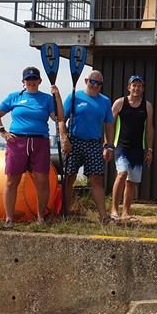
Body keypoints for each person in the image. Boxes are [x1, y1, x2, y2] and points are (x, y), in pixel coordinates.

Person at [0, 66, 67, 227]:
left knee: (43, 181)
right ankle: (9, 219)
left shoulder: (47, 98)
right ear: (23, 82)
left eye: (34, 79)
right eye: (28, 79)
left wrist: (58, 97)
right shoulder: (14, 97)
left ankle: (41, 217)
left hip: (39, 142)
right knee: (12, 181)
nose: (31, 82)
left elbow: (59, 118)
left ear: (39, 81)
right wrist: (2, 131)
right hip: (17, 141)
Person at [62, 70, 115, 222]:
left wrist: (109, 145)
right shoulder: (74, 97)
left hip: (94, 143)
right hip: (74, 142)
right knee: (69, 177)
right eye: (92, 81)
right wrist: (65, 138)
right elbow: (61, 120)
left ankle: (103, 216)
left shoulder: (105, 101)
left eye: (99, 83)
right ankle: (65, 212)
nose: (95, 85)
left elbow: (109, 124)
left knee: (96, 180)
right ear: (86, 80)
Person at [110, 75, 154, 223]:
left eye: (139, 86)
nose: (136, 88)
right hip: (121, 146)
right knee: (122, 174)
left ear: (143, 88)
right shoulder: (120, 103)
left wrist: (150, 150)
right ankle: (114, 210)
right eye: (134, 85)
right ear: (129, 87)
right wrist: (107, 144)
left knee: (131, 181)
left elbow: (149, 128)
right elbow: (109, 124)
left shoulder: (147, 106)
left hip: (138, 148)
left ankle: (125, 213)